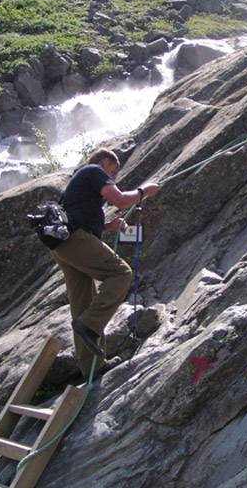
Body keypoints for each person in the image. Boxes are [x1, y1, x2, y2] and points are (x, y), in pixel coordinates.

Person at [52, 148, 160, 378]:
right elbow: (120, 200)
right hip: (76, 239)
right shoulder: (93, 170)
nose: (113, 176)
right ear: (105, 162)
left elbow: (79, 215)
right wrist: (144, 192)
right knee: (120, 273)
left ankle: (93, 368)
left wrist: (108, 226)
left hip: (63, 245)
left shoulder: (80, 183)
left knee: (82, 303)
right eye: (113, 170)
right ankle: (90, 326)